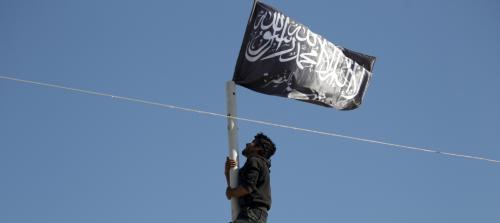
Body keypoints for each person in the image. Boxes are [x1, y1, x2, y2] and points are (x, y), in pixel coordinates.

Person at [225, 132, 276, 223]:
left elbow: (247, 188)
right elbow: (236, 186)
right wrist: (228, 173)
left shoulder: (255, 161)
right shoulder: (255, 164)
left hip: (253, 213)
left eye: (252, 142)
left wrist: (231, 192)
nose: (247, 144)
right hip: (252, 214)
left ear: (258, 148)